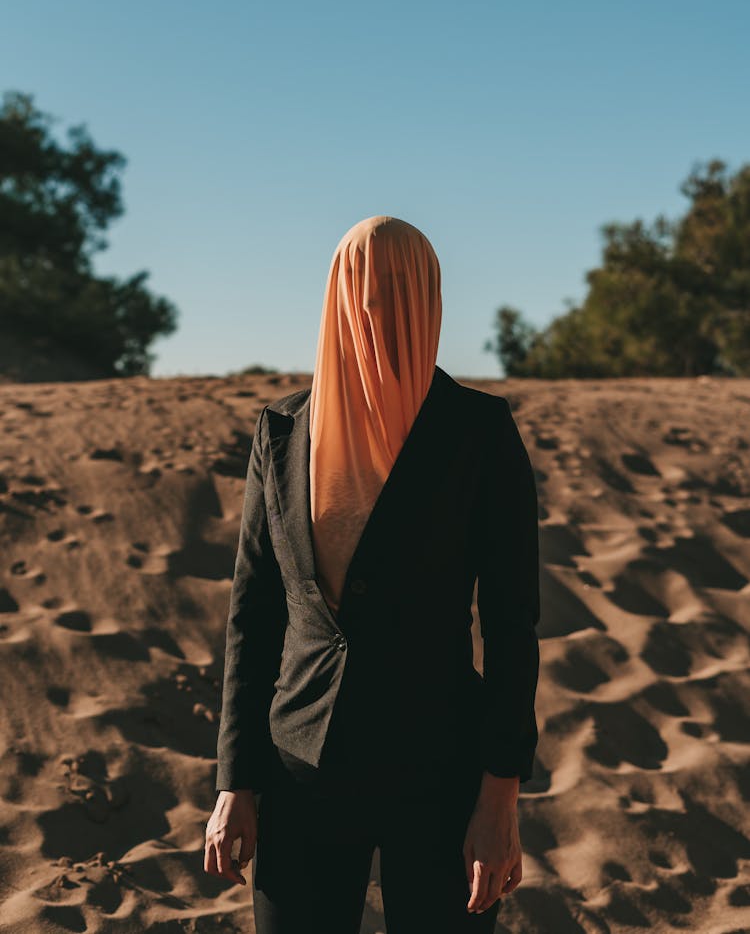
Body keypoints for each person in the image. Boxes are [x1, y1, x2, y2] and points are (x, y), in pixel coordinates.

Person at [204, 216, 541, 933]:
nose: (372, 306)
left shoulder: (479, 433)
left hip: (440, 771)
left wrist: (500, 796)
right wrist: (236, 782)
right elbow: (254, 614)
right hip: (301, 766)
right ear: (335, 296)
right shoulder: (284, 430)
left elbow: (514, 626)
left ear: (428, 296)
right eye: (358, 286)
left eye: (396, 287)